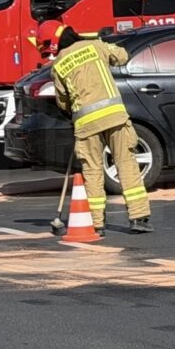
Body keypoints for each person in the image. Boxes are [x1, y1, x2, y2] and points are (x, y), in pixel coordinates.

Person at [35, 20, 152, 236]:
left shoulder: (58, 65)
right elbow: (122, 56)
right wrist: (105, 47)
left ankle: (97, 224)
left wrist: (72, 113)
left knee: (92, 171)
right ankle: (138, 218)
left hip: (86, 124)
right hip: (115, 117)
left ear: (52, 45)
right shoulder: (95, 46)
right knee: (126, 164)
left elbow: (63, 101)